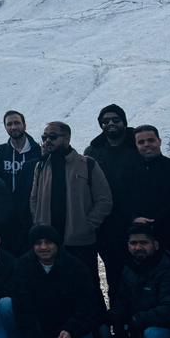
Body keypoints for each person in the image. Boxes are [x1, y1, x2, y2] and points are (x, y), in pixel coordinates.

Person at [11, 224, 102, 338]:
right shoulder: (22, 266)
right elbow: (22, 307)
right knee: (6, 306)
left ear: (57, 244)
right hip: (39, 325)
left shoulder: (76, 267)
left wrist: (71, 329)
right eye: (38, 243)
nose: (43, 247)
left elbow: (87, 306)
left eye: (48, 242)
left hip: (67, 326)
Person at [28, 122, 112, 290]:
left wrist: (87, 225)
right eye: (44, 137)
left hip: (79, 243)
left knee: (87, 287)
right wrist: (39, 224)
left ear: (67, 138)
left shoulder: (88, 164)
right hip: (49, 243)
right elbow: (34, 198)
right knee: (53, 289)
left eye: (53, 137)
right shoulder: (41, 165)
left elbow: (104, 200)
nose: (47, 141)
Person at [84, 104, 141, 303]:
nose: (110, 124)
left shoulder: (138, 146)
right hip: (107, 225)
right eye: (105, 121)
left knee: (141, 274)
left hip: (137, 223)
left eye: (115, 120)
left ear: (124, 121)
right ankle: (118, 317)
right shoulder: (93, 151)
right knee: (114, 275)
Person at [125, 125, 170, 257]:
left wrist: (154, 221)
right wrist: (134, 218)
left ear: (159, 141)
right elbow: (124, 200)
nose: (146, 144)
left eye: (151, 140)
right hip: (139, 238)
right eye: (141, 142)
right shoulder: (128, 172)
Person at [0, 110, 41, 255]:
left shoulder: (37, 151)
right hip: (7, 215)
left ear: (24, 125)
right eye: (9, 124)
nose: (13, 127)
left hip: (31, 214)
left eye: (17, 123)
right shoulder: (1, 152)